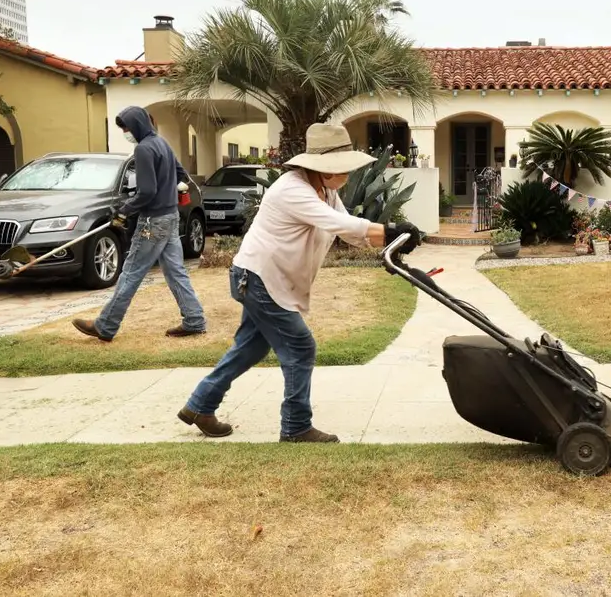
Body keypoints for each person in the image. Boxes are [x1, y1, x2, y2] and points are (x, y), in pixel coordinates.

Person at [177, 123, 420, 442]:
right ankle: (295, 427)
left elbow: (348, 231)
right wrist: (389, 229)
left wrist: (393, 243)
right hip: (259, 278)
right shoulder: (293, 189)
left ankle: (199, 405)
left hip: (263, 277)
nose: (347, 173)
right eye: (342, 166)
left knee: (250, 347)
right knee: (300, 346)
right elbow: (338, 223)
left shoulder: (327, 192)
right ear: (322, 167)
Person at [72, 106, 208, 342]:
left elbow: (146, 192)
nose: (125, 131)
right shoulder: (162, 143)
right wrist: (170, 190)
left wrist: (124, 211)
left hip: (153, 221)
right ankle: (194, 320)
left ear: (136, 125)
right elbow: (182, 174)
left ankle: (105, 325)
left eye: (125, 126)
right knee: (176, 272)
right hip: (170, 217)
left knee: (131, 273)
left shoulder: (143, 149)